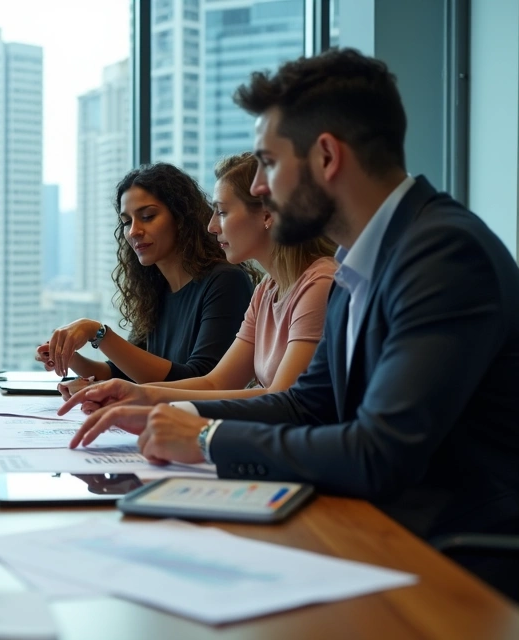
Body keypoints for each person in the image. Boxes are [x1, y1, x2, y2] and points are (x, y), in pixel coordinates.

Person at [66, 50, 519, 581]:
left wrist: (206, 437)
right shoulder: (363, 259)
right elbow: (307, 403)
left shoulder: (441, 255)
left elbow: (379, 451)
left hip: (445, 560)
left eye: (270, 163)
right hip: (371, 532)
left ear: (326, 157)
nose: (259, 186)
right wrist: (160, 408)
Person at [62, 153, 336, 409]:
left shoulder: (318, 284)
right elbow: (215, 383)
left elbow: (282, 399)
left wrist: (140, 395)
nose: (212, 226)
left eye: (223, 212)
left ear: (266, 214)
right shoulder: (267, 289)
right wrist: (131, 394)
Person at [37, 163, 255, 385]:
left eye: (148, 216)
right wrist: (67, 354)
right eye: (126, 222)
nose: (133, 231)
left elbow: (199, 380)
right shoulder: (156, 290)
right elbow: (125, 372)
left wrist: (98, 332)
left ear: (181, 218)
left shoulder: (226, 281)